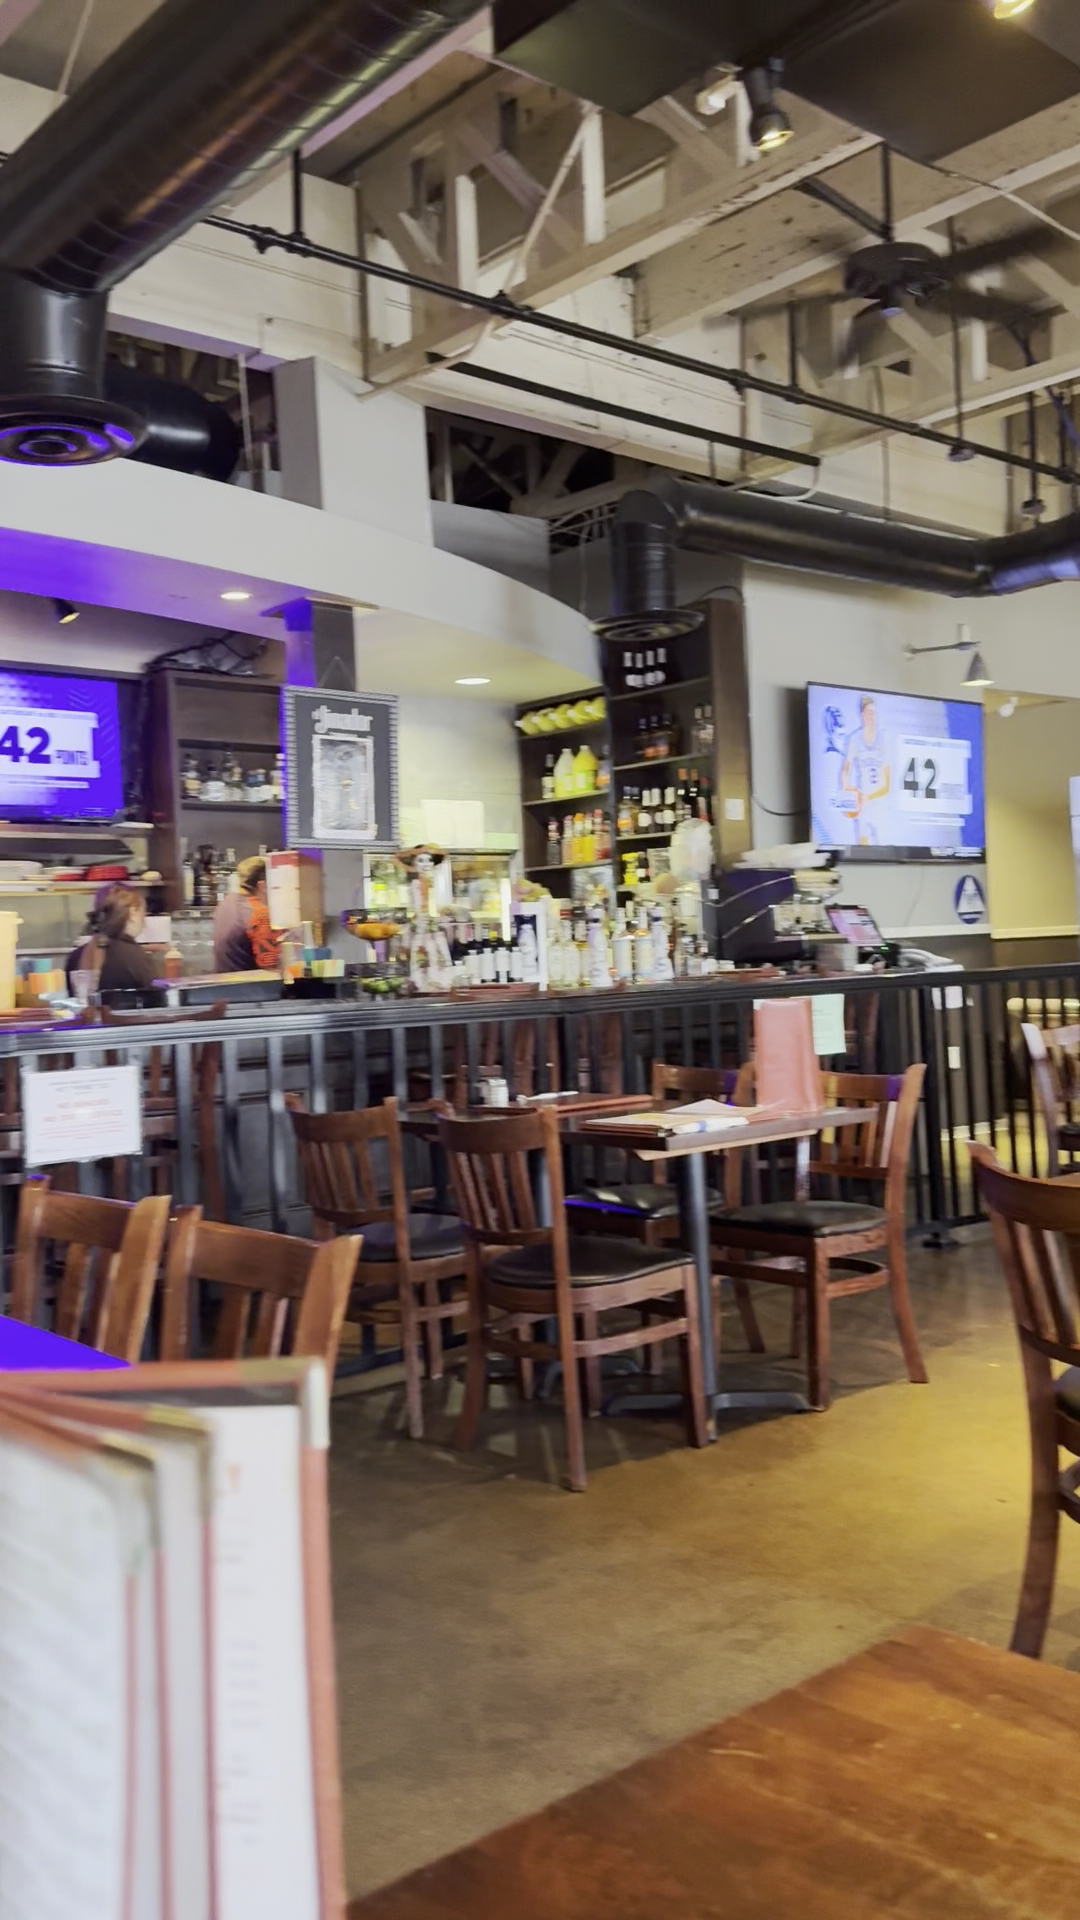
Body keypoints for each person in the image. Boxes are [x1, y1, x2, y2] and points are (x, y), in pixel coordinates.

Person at [65, 883, 159, 994]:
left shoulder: (76, 956)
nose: (145, 923)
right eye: (143, 914)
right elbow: (156, 996)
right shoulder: (136, 957)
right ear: (133, 913)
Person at [212, 855, 282, 972]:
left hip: (224, 981)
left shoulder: (227, 902)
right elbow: (272, 969)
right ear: (263, 886)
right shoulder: (261, 914)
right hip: (252, 982)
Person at [841, 693, 891, 846]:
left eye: (874, 712)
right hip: (863, 805)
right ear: (863, 714)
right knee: (862, 850)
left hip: (880, 804)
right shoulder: (855, 739)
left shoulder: (884, 738)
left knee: (885, 850)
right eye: (870, 712)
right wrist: (847, 791)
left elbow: (887, 786)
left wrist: (868, 797)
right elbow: (845, 770)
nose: (873, 716)